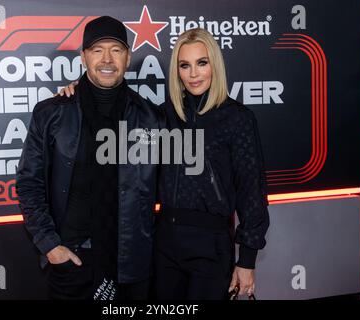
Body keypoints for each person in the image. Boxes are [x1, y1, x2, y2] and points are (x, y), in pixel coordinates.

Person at [58, 28, 269, 300]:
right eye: (185, 65)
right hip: (163, 245)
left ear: (214, 65)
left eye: (201, 63)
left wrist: (247, 260)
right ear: (177, 71)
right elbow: (116, 108)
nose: (193, 73)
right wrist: (79, 90)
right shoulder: (162, 116)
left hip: (211, 247)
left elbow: (252, 193)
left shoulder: (238, 119)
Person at [16, 16, 164, 300]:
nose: (107, 59)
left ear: (128, 57)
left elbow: (170, 185)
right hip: (72, 259)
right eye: (98, 50)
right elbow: (28, 183)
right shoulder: (52, 113)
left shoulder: (151, 118)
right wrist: (50, 246)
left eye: (116, 50)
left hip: (130, 265)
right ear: (84, 57)